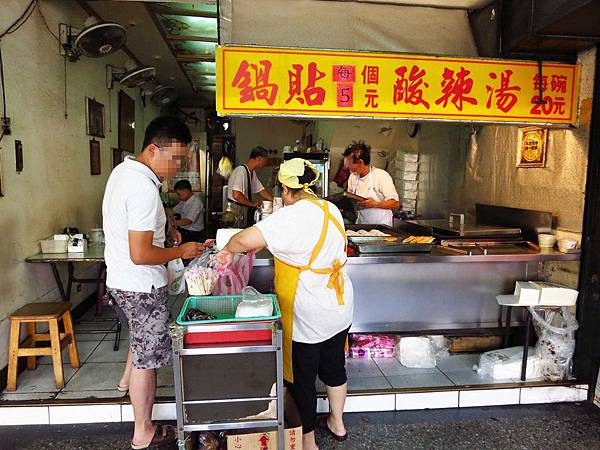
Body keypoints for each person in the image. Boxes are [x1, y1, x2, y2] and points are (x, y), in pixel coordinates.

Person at [215, 158, 353, 450]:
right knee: (334, 366)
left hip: (309, 311)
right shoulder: (331, 209)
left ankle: (308, 442)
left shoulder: (290, 216)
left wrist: (228, 250)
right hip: (339, 305)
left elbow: (243, 240)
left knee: (301, 379)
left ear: (285, 189)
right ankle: (338, 423)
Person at [102, 116, 208, 449]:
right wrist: (181, 249)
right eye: (175, 159)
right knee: (149, 361)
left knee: (139, 340)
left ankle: (125, 382)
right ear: (153, 149)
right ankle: (143, 431)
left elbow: (142, 222)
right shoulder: (142, 188)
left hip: (120, 281)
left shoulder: (125, 172)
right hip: (141, 286)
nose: (179, 167)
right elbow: (141, 253)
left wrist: (168, 224)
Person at [343, 142, 400, 227]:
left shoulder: (381, 175)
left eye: (349, 162)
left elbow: (395, 203)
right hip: (361, 226)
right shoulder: (353, 177)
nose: (347, 166)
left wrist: (375, 204)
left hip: (382, 227)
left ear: (360, 162)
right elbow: (350, 201)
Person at [227, 146, 274, 226]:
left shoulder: (251, 173)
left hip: (243, 208)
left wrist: (276, 201)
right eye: (265, 160)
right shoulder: (241, 171)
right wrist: (251, 204)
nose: (265, 163)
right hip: (236, 208)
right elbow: (237, 195)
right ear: (259, 159)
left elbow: (261, 190)